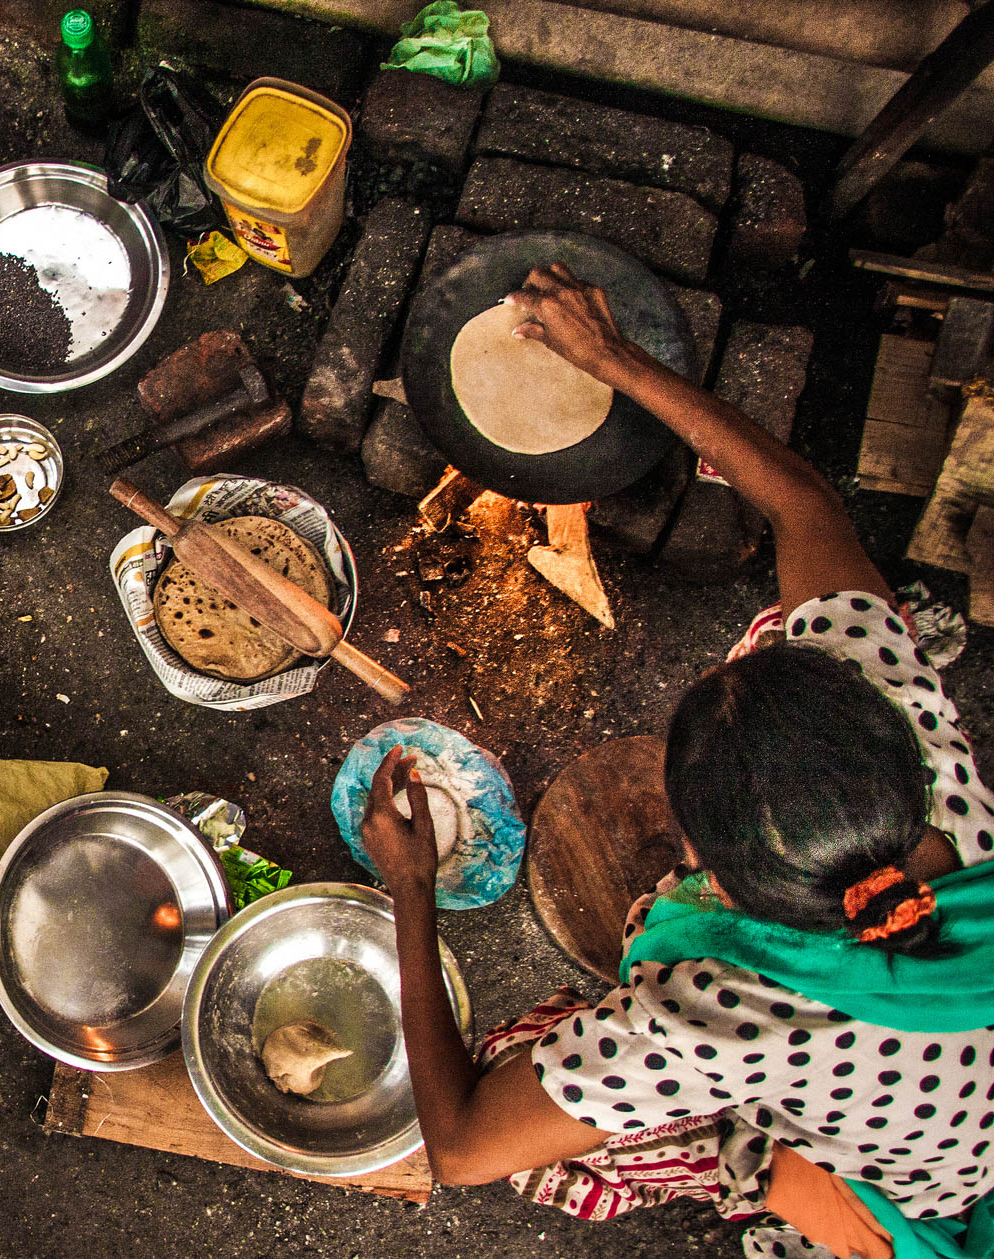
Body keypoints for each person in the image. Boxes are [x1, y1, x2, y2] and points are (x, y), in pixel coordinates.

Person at [360, 263, 994, 1259]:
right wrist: (610, 358)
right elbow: (798, 502)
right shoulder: (912, 732)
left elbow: (460, 1144)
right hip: (955, 1086)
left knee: (529, 1105)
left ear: (719, 877)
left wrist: (409, 886)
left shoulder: (723, 1016)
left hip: (911, 1181)